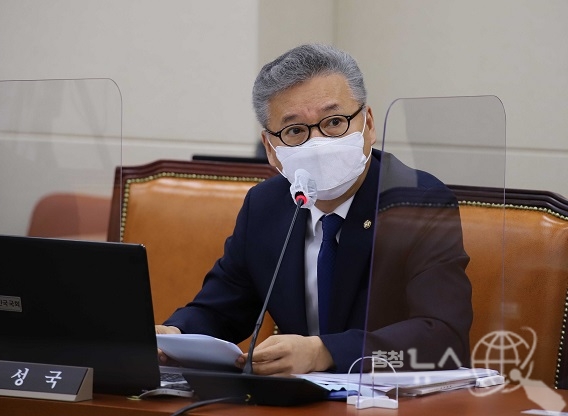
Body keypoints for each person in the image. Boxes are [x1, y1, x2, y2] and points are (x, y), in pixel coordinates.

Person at [156, 43, 472, 375]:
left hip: (392, 394)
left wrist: (325, 352)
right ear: (271, 149)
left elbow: (444, 338)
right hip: (297, 398)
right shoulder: (265, 206)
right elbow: (222, 310)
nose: (318, 143)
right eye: (295, 131)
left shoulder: (418, 203)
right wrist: (175, 335)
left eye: (334, 122)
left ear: (368, 125)